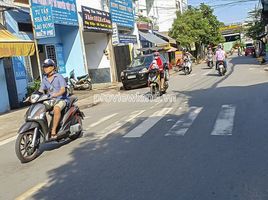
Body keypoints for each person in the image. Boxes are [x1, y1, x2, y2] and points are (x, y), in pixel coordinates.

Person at [39, 59, 68, 139]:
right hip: (50, 100)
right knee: (40, 109)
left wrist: (56, 94)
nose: (45, 68)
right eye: (44, 67)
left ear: (53, 67)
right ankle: (43, 129)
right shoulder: (44, 79)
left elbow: (63, 90)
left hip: (61, 99)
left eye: (47, 66)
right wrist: (33, 96)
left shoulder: (59, 77)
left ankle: (53, 131)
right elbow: (41, 90)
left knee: (56, 109)